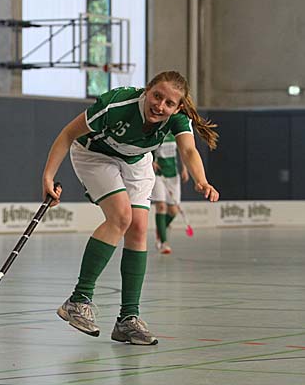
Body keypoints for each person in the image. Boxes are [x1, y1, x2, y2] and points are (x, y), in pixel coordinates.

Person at [42, 70, 219, 345]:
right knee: (121, 217)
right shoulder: (116, 105)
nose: (160, 106)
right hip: (95, 155)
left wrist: (201, 180)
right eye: (157, 96)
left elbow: (188, 150)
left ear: (178, 108)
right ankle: (78, 300)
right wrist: (48, 177)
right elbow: (67, 134)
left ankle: (128, 319)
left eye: (169, 103)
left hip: (136, 160)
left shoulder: (178, 118)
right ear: (147, 90)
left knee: (138, 228)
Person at [151, 132, 189, 254]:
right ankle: (164, 243)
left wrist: (185, 169)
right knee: (161, 207)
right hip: (158, 174)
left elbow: (183, 151)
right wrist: (151, 161)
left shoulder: (175, 133)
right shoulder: (156, 132)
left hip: (173, 175)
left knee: (173, 211)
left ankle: (160, 230)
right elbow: (145, 148)